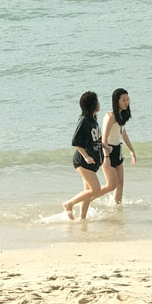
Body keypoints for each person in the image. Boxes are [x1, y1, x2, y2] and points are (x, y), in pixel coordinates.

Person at [62, 91, 106, 219]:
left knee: (88, 191)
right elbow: (76, 142)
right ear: (92, 104)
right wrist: (86, 156)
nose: (99, 103)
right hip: (82, 162)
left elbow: (95, 139)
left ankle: (82, 219)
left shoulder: (93, 119)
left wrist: (104, 146)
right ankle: (69, 204)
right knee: (96, 190)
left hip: (92, 163)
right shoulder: (83, 121)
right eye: (97, 101)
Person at [96, 87, 138, 205]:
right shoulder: (111, 116)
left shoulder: (122, 115)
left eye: (127, 99)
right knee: (111, 185)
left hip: (117, 149)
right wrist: (106, 157)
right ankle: (89, 198)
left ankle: (117, 209)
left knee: (120, 183)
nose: (126, 102)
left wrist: (132, 150)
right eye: (123, 100)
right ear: (116, 101)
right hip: (107, 150)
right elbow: (104, 137)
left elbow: (123, 133)